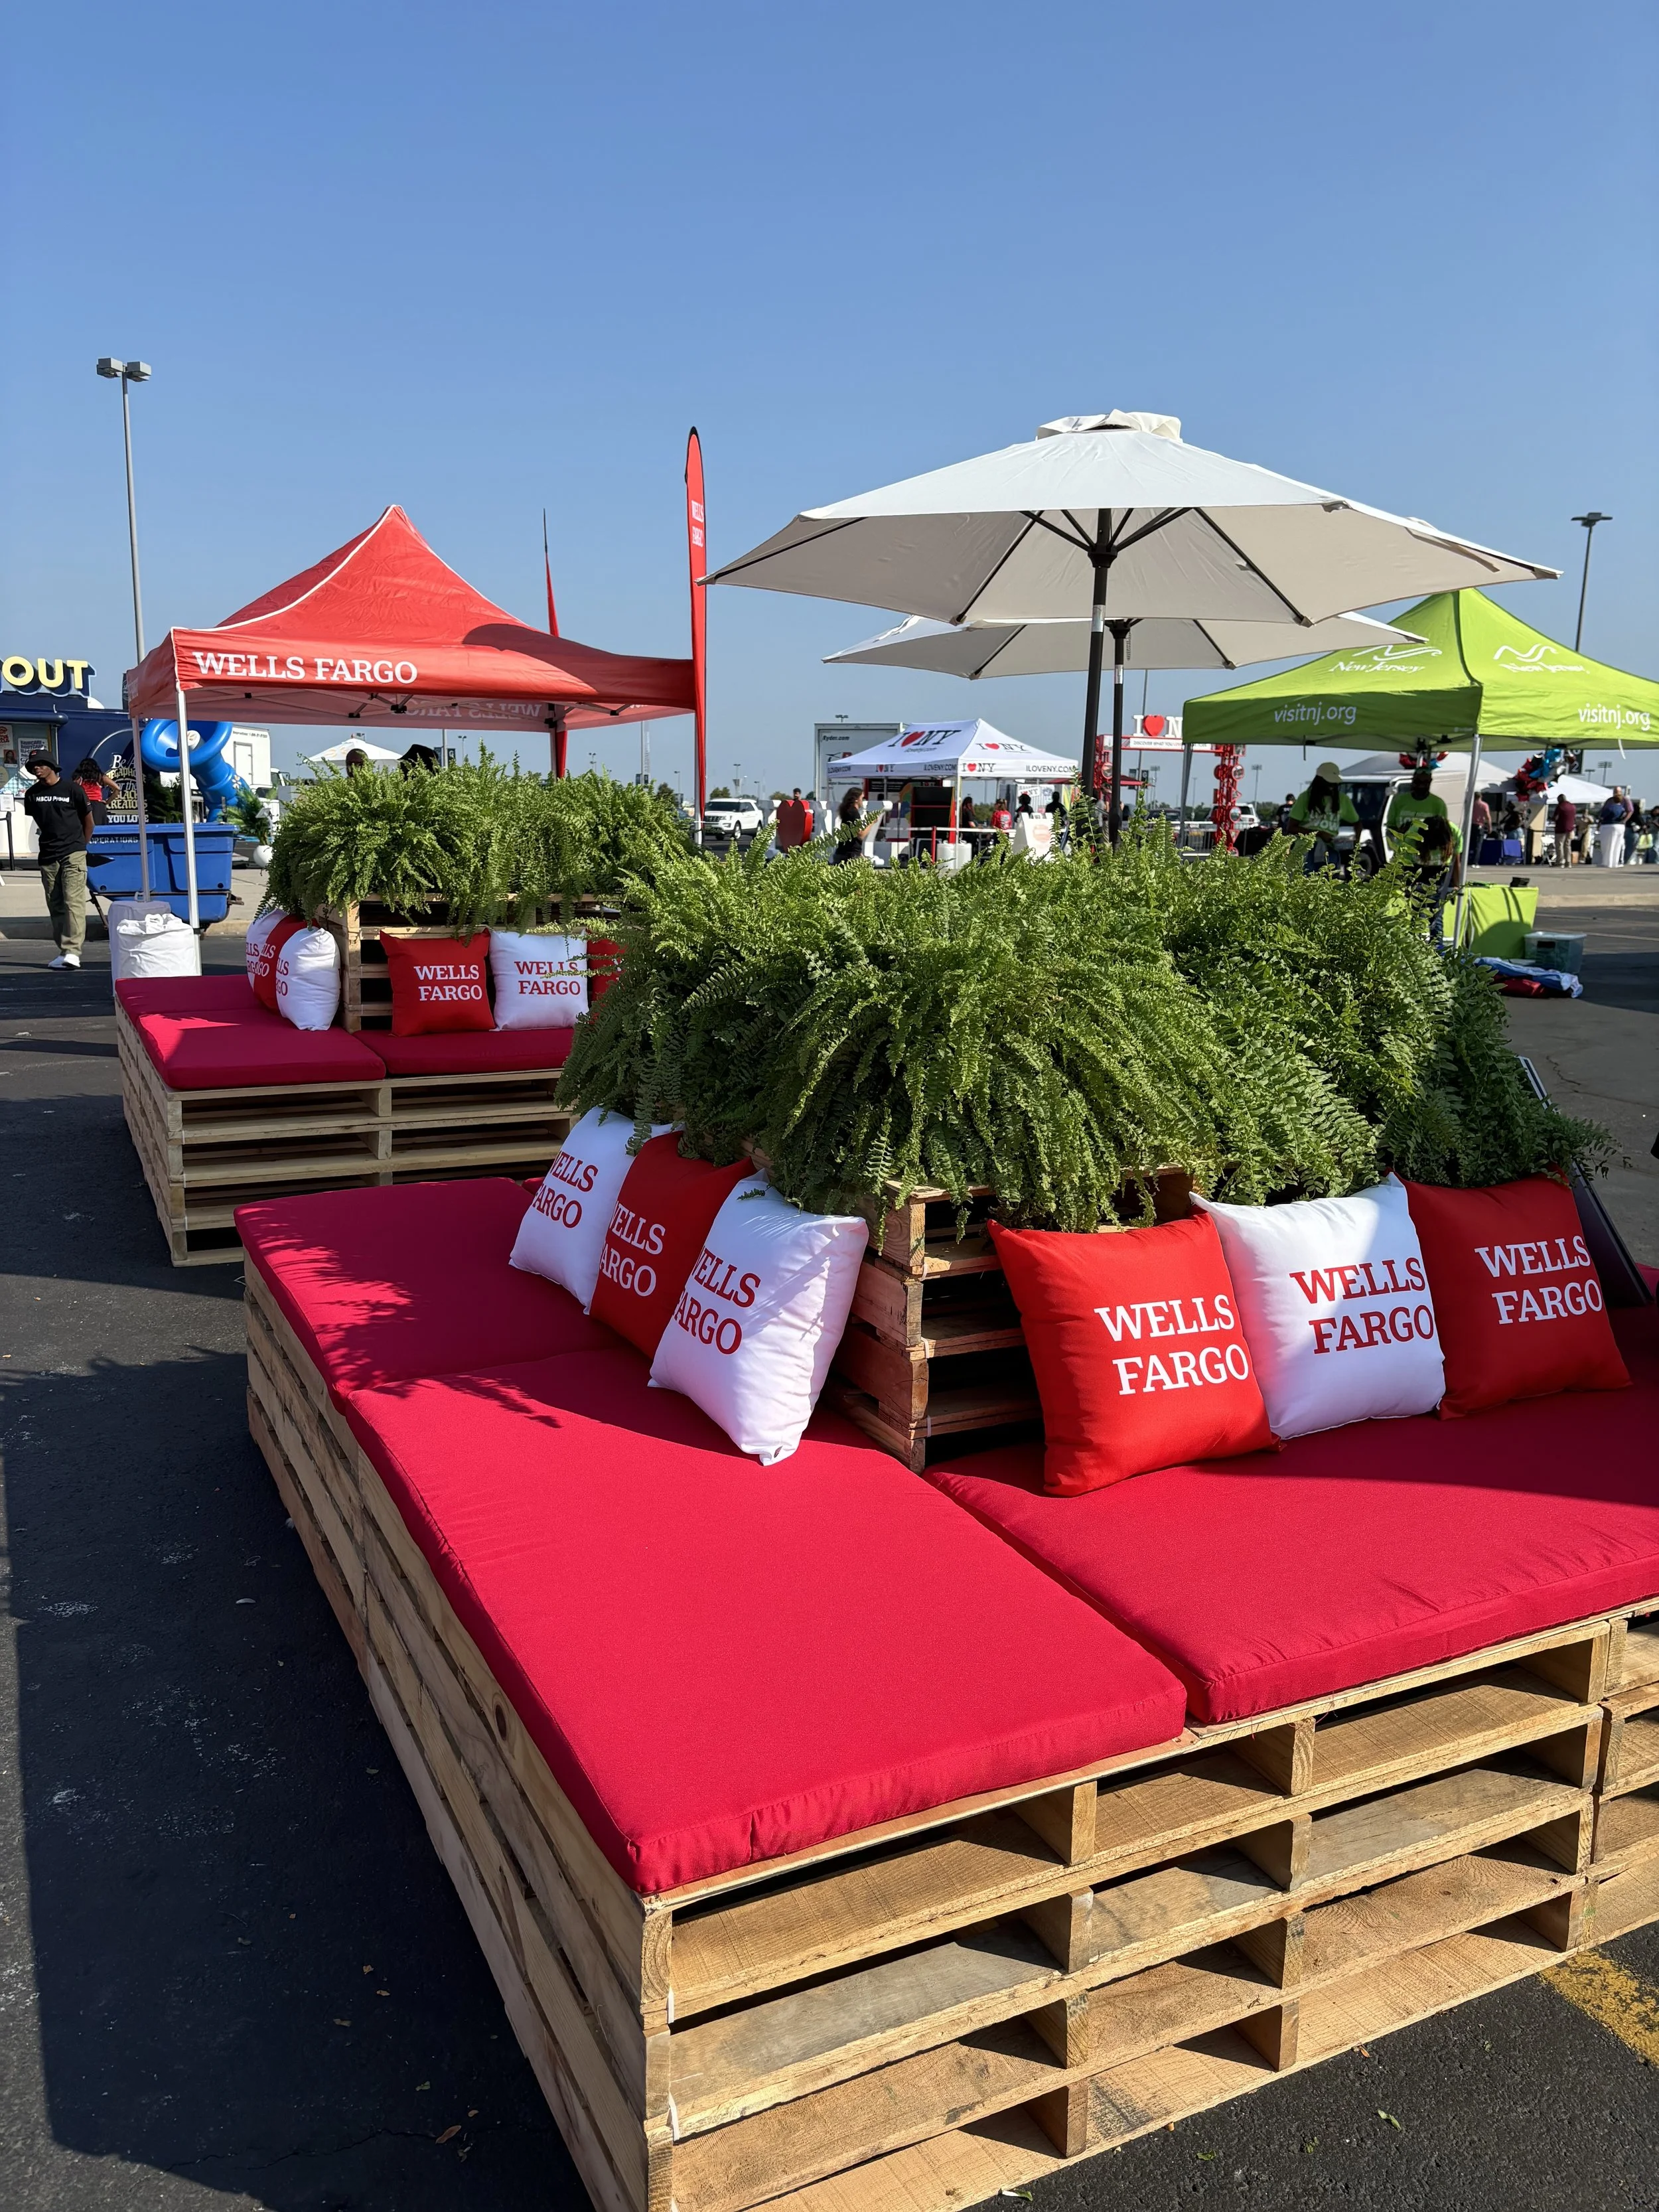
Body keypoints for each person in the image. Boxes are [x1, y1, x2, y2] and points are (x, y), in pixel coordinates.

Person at [23, 756, 92, 969]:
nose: (37, 769)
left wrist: (81, 846)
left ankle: (73, 951)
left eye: (41, 765)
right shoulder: (32, 794)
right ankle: (63, 952)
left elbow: (88, 821)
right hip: (48, 855)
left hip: (73, 852)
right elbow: (43, 822)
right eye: (33, 766)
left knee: (73, 901)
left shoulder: (72, 790)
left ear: (52, 767)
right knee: (56, 904)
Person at [1288, 762, 1359, 871]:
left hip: (1330, 849)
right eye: (1329, 783)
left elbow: (1357, 823)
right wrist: (1319, 834)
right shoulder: (1305, 798)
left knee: (1329, 884)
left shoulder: (1342, 800)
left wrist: (1355, 845)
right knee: (1306, 883)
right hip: (1304, 850)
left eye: (1334, 784)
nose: (1332, 786)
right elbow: (1291, 828)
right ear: (1319, 781)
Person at [1385, 767, 1455, 863]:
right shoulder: (1399, 801)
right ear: (1413, 781)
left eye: (1425, 782)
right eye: (1418, 782)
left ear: (1430, 782)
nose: (1421, 786)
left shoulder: (1438, 804)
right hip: (1402, 857)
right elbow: (1390, 827)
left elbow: (1443, 833)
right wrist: (1402, 831)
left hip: (1429, 859)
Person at [831, 784, 866, 865]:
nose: (863, 801)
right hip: (850, 855)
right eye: (862, 798)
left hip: (843, 852)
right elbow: (860, 834)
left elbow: (850, 835)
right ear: (857, 799)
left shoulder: (847, 812)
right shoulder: (854, 813)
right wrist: (872, 822)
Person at [72, 757, 110, 825]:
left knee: (85, 828)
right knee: (100, 830)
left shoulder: (79, 778)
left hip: (84, 804)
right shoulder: (100, 777)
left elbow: (73, 789)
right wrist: (107, 802)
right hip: (98, 806)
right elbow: (117, 789)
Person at [774, 786, 811, 851]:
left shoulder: (803, 804)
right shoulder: (791, 803)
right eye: (795, 794)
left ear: (800, 794)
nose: (796, 795)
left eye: (797, 794)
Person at [1551, 792, 1577, 865]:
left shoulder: (1560, 806)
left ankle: (1560, 861)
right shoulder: (1573, 807)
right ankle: (1568, 862)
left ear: (1559, 800)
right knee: (1567, 845)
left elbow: (1556, 817)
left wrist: (1552, 819)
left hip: (1561, 828)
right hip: (1570, 829)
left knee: (1559, 845)